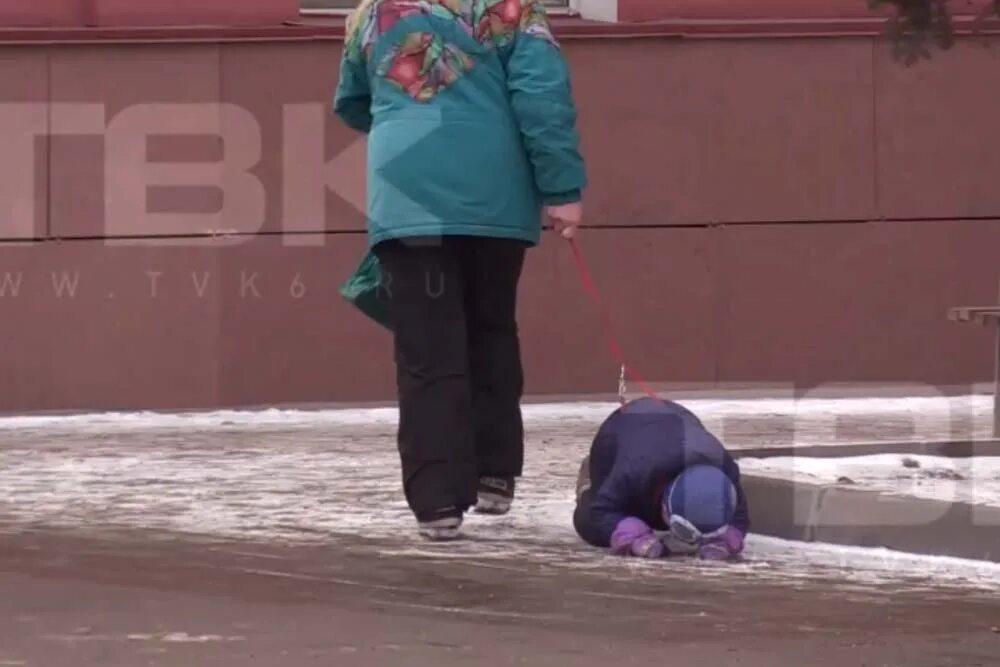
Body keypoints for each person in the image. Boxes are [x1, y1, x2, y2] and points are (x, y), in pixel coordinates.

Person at [333, 0, 587, 540]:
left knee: (426, 348)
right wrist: (562, 188)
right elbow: (542, 101)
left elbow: (354, 102)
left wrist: (409, 124)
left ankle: (437, 501)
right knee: (490, 327)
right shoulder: (514, 11)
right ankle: (494, 471)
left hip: (405, 195)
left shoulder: (368, 13)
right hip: (492, 196)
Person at [573, 397, 750, 560]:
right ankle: (588, 484)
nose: (691, 543)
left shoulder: (724, 471)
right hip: (620, 429)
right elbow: (594, 513)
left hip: (674, 421)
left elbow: (738, 513)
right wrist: (628, 533)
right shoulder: (631, 472)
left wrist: (727, 537)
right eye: (684, 532)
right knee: (605, 500)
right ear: (665, 507)